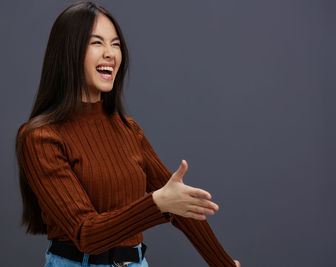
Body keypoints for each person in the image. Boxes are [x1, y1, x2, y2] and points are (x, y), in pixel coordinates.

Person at [15, 1, 241, 266]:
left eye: (116, 44)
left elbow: (179, 205)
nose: (110, 53)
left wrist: (224, 264)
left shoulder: (128, 129)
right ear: (69, 51)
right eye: (97, 43)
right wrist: (157, 204)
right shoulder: (40, 137)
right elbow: (85, 233)